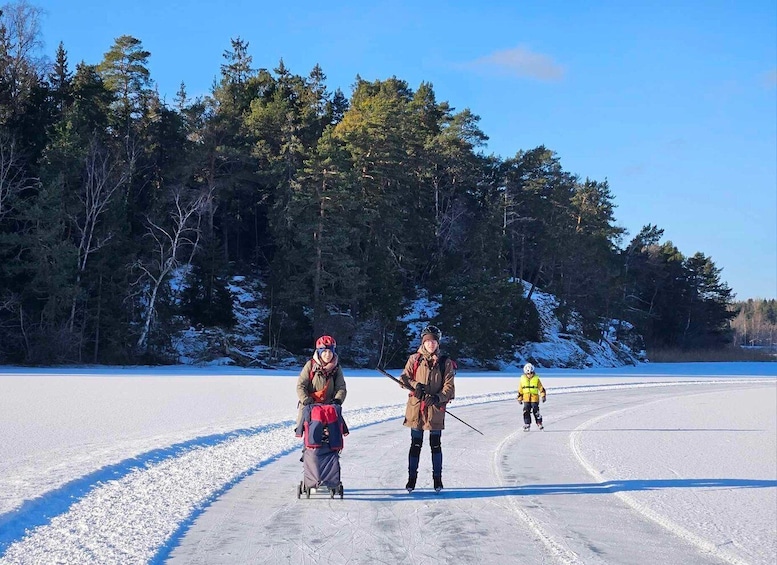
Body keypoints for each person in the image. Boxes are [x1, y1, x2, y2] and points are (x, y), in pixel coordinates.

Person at [398, 325, 456, 492]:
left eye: (434, 341)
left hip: (435, 409)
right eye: (428, 341)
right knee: (415, 444)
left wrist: (437, 397)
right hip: (416, 409)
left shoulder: (445, 362)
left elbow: (449, 387)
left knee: (435, 445)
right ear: (423, 342)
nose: (431, 344)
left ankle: (437, 479)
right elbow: (404, 378)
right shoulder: (414, 359)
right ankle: (411, 479)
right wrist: (416, 386)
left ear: (438, 343)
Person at [296, 335, 347, 431]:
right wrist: (306, 399)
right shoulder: (310, 365)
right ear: (319, 352)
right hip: (311, 408)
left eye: (330, 351)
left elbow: (341, 387)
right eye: (324, 351)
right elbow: (301, 386)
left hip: (329, 410)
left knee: (333, 437)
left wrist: (337, 400)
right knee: (310, 438)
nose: (328, 355)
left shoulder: (336, 368)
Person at [517, 362, 546, 431]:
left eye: (531, 373)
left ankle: (539, 423)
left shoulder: (536, 379)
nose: (529, 375)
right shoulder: (522, 379)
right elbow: (520, 390)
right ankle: (527, 423)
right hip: (526, 398)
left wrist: (543, 396)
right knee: (526, 410)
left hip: (534, 398)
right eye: (528, 373)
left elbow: (541, 388)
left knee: (536, 410)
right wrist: (519, 398)